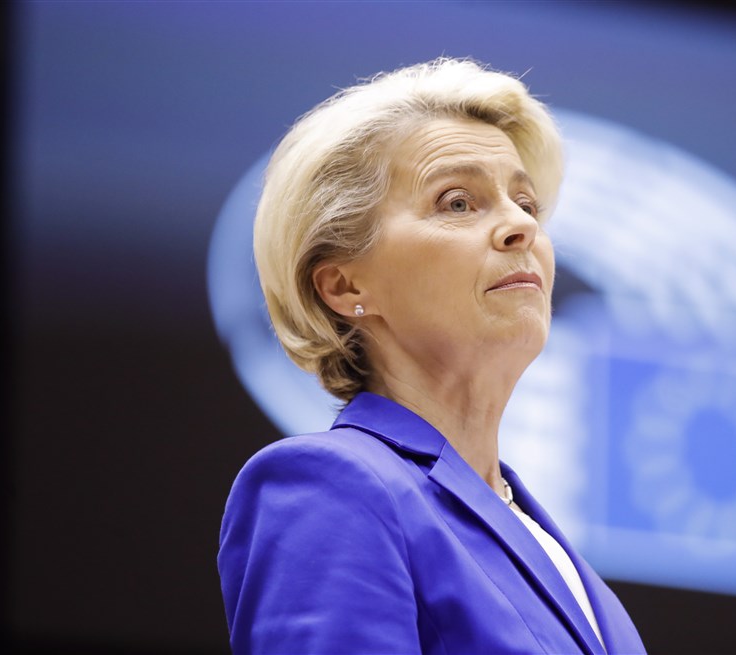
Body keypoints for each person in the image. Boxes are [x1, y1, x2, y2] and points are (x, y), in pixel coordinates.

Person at [217, 57, 647, 655]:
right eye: (457, 203)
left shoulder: (552, 549)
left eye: (526, 203)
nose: (519, 228)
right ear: (345, 287)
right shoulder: (331, 487)